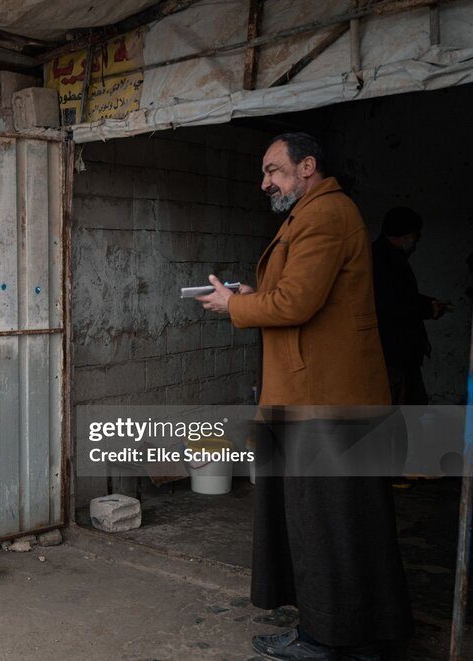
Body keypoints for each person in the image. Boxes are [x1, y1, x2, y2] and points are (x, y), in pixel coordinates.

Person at [196, 133, 412, 660]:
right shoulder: (313, 214)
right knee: (337, 520)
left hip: (323, 398)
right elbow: (297, 295)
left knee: (326, 522)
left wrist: (234, 306)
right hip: (317, 393)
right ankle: (346, 632)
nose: (264, 181)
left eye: (273, 170)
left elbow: (296, 303)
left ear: (307, 166)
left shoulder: (324, 215)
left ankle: (328, 639)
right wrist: (250, 297)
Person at [372, 206, 450, 407]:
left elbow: (400, 296)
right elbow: (387, 305)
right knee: (398, 413)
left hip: (398, 356)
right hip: (393, 355)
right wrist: (426, 309)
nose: (417, 240)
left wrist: (427, 303)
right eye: (416, 234)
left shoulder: (388, 257)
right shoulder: (382, 261)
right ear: (404, 234)